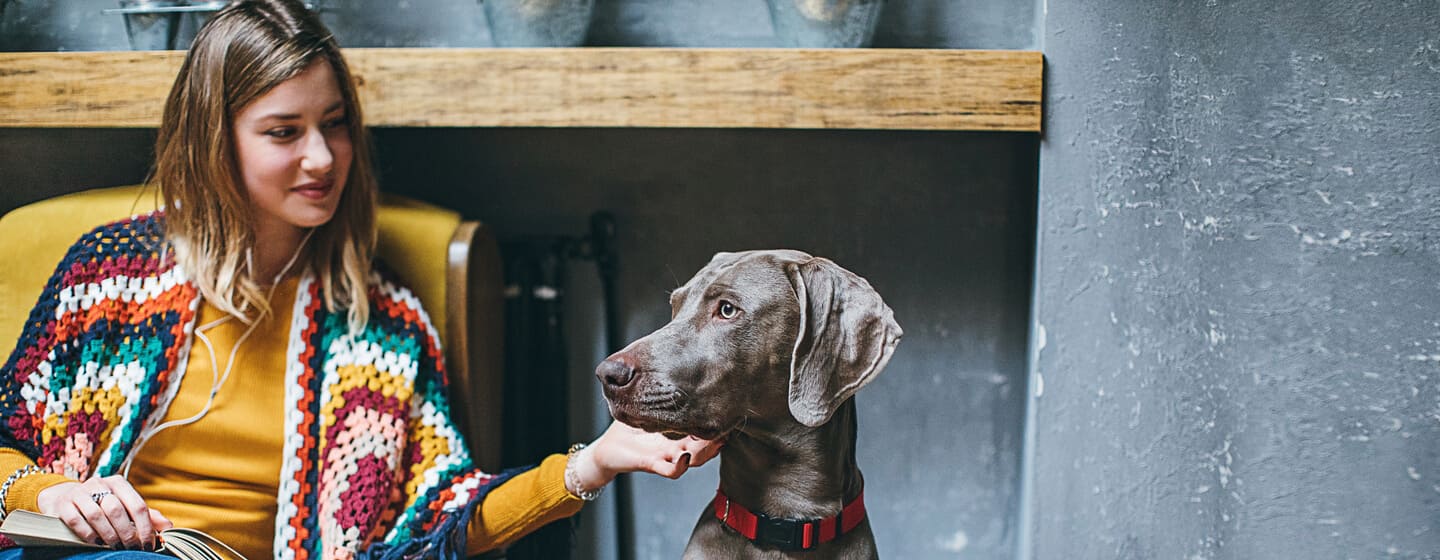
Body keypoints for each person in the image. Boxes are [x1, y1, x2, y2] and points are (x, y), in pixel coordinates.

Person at [0, 1, 721, 558]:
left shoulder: (379, 324)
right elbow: (5, 443)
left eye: (336, 124)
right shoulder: (108, 277)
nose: (321, 157)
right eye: (284, 132)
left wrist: (591, 463)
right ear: (215, 139)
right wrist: (59, 492)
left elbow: (441, 516)